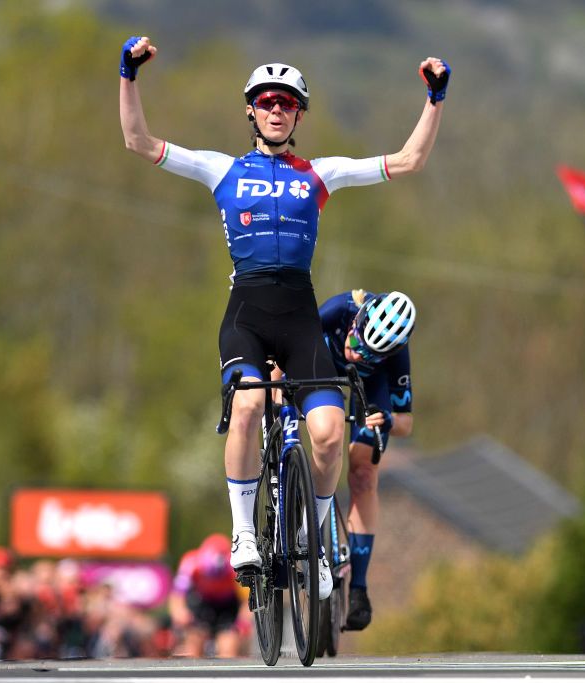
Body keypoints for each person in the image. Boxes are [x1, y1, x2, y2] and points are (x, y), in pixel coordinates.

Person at [120, 35, 449, 599]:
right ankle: (245, 533)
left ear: (299, 114)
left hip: (300, 316)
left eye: (287, 102)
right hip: (247, 312)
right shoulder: (221, 169)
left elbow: (409, 160)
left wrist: (435, 100)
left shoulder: (320, 172)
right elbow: (137, 140)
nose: (276, 109)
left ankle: (314, 536)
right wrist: (127, 76)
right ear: (250, 109)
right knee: (247, 405)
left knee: (327, 435)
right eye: (267, 100)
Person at [317, 289, 415, 630]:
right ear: (357, 321)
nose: (355, 354)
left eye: (368, 353)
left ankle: (358, 588)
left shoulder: (396, 356)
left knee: (363, 473)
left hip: (368, 388)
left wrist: (388, 421)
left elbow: (406, 423)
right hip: (320, 362)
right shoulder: (340, 309)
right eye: (356, 342)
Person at [168, 533, 249, 658]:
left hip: (228, 605)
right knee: (193, 646)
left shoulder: (235, 567)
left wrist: (242, 623)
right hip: (201, 603)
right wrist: (180, 614)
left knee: (228, 648)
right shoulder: (190, 562)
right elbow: (177, 595)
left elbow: (247, 601)